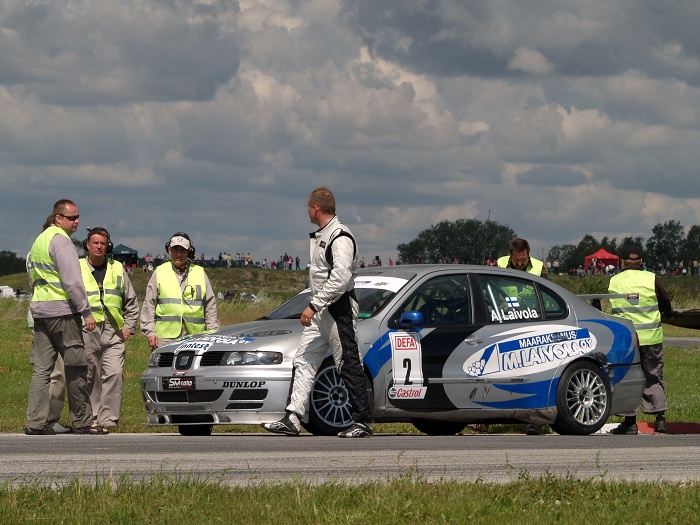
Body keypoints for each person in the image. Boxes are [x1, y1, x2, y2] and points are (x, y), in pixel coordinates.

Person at [262, 187, 372, 438]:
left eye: (308, 207)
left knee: (347, 362)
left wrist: (313, 305)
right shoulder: (325, 235)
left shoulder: (340, 236)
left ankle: (362, 421)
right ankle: (293, 418)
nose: (307, 211)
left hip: (339, 308)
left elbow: (340, 278)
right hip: (323, 309)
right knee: (304, 359)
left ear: (315, 208)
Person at [25, 199, 100, 435]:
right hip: (63, 312)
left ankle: (35, 423)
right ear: (58, 218)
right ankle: (82, 421)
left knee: (42, 370)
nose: (76, 221)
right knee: (76, 366)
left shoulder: (40, 240)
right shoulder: (61, 241)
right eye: (71, 217)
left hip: (41, 310)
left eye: (77, 217)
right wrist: (86, 311)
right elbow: (72, 281)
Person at [609, 244, 672, 435]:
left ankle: (630, 422)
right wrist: (667, 313)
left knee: (628, 377)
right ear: (641, 262)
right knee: (653, 376)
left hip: (627, 339)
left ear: (622, 262)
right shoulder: (652, 278)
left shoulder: (615, 281)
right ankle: (660, 419)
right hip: (651, 338)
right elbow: (665, 301)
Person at [80, 227, 139, 432]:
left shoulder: (117, 268)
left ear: (108, 246)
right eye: (95, 243)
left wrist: (129, 326)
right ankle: (92, 417)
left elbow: (131, 301)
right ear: (87, 245)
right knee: (91, 374)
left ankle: (109, 419)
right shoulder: (78, 267)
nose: (99, 247)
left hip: (114, 330)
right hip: (88, 329)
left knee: (115, 373)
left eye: (103, 243)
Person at [496, 238, 548, 436]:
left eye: (523, 260)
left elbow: (546, 294)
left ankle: (535, 422)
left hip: (532, 327)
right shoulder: (500, 264)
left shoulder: (540, 268)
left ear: (528, 254)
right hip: (504, 326)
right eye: (516, 260)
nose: (519, 264)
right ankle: (485, 421)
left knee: (535, 375)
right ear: (510, 255)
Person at [140, 232, 219, 350]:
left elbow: (210, 306)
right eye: (175, 250)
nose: (178, 254)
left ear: (189, 252)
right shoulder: (160, 272)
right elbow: (149, 304)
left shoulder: (200, 273)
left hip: (196, 337)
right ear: (169, 250)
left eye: (182, 250)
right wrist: (150, 332)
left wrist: (212, 332)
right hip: (165, 339)